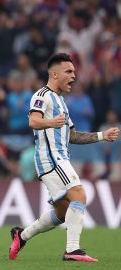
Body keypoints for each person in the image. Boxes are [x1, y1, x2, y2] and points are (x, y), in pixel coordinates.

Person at [9, 53, 119, 262]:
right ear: (54, 73)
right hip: (51, 159)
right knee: (79, 194)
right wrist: (52, 123)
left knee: (61, 213)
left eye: (74, 72)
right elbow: (33, 121)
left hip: (57, 159)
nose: (73, 76)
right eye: (69, 72)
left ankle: (21, 235)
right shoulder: (41, 95)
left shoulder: (61, 102)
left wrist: (102, 135)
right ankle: (72, 249)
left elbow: (73, 136)